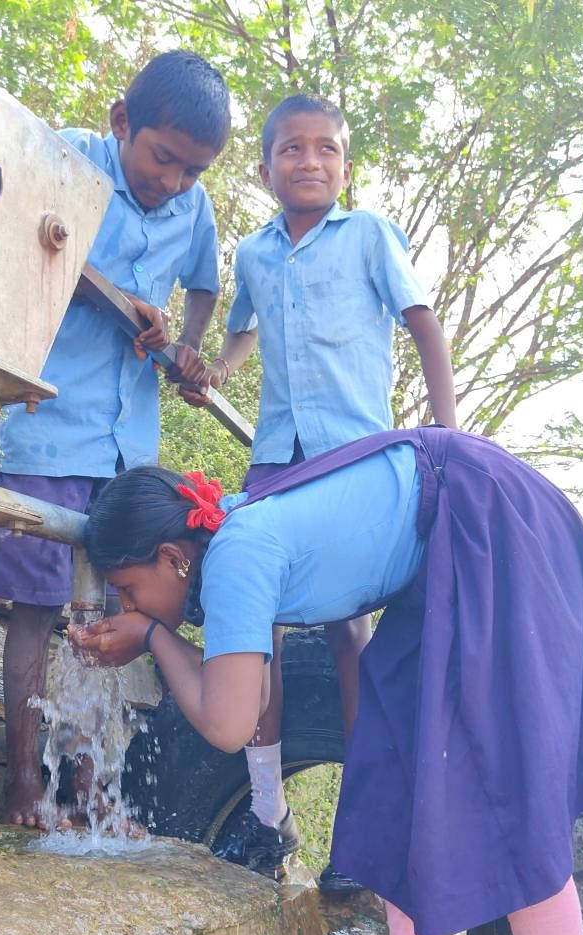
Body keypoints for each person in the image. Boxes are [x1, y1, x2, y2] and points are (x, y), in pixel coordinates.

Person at [70, 425, 583, 935]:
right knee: (388, 756)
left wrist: (152, 639)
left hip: (485, 522)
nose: (126, 605)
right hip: (444, 546)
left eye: (128, 589)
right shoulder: (225, 548)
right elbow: (255, 697)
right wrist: (160, 633)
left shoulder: (235, 555)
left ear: (173, 557)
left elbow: (228, 722)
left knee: (506, 788)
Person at [180, 94, 456, 885]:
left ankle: (363, 830)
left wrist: (447, 437)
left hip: (356, 456)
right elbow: (243, 328)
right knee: (249, 614)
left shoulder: (368, 235)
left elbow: (423, 323)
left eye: (325, 149)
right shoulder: (256, 253)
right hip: (277, 459)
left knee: (346, 631)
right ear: (265, 169)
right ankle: (268, 817)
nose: (309, 161)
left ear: (344, 164)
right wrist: (218, 373)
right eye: (292, 150)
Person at [0, 51, 230, 826]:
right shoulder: (66, 158)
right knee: (36, 607)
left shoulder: (194, 211)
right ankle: (23, 783)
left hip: (129, 448)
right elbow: (15, 224)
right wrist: (123, 299)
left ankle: (90, 794)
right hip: (47, 425)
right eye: (163, 158)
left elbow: (204, 283)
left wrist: (188, 346)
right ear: (123, 122)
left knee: (108, 617)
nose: (174, 181)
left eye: (193, 171)